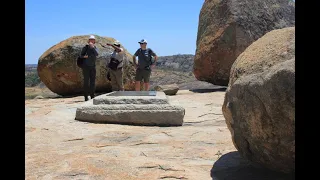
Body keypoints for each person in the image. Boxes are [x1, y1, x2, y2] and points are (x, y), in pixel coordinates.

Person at [79, 35, 99, 101]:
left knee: (92, 82)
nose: (91, 41)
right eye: (90, 40)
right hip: (86, 67)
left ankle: (92, 96)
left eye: (92, 40)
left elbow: (97, 54)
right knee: (86, 82)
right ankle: (85, 96)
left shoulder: (95, 47)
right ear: (88, 41)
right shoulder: (85, 47)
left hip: (93, 67)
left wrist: (92, 47)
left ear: (94, 41)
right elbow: (80, 56)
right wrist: (84, 57)